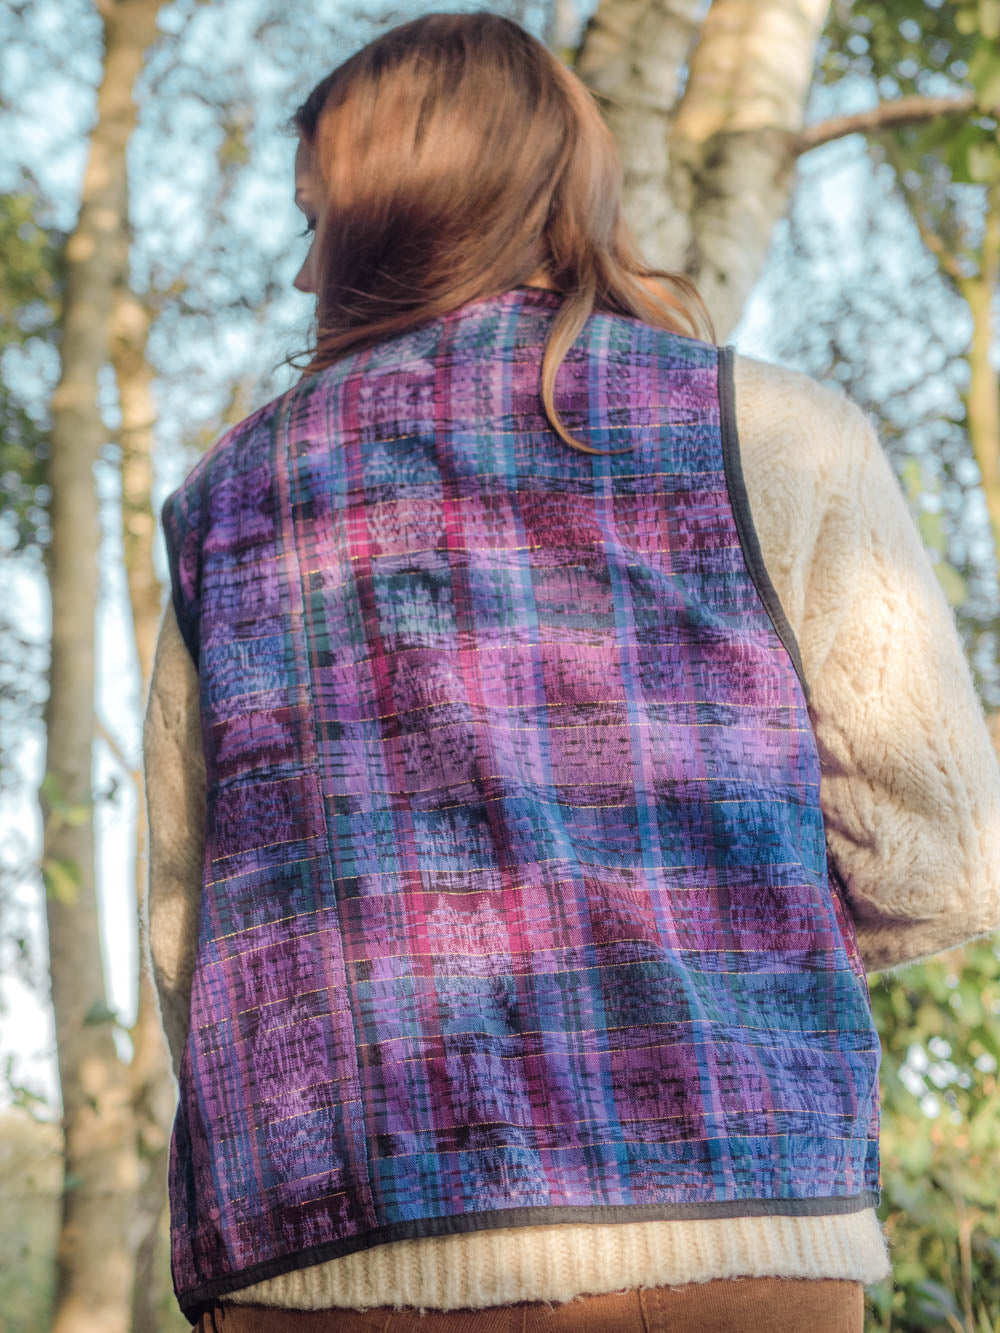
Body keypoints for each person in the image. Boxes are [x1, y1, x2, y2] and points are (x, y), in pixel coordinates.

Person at [142, 11, 1000, 1332]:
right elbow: (944, 863)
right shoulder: (779, 432)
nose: (309, 272)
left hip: (331, 1254)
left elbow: (187, 926)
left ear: (402, 215)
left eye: (321, 222)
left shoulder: (230, 498)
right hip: (734, 1238)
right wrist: (715, 940)